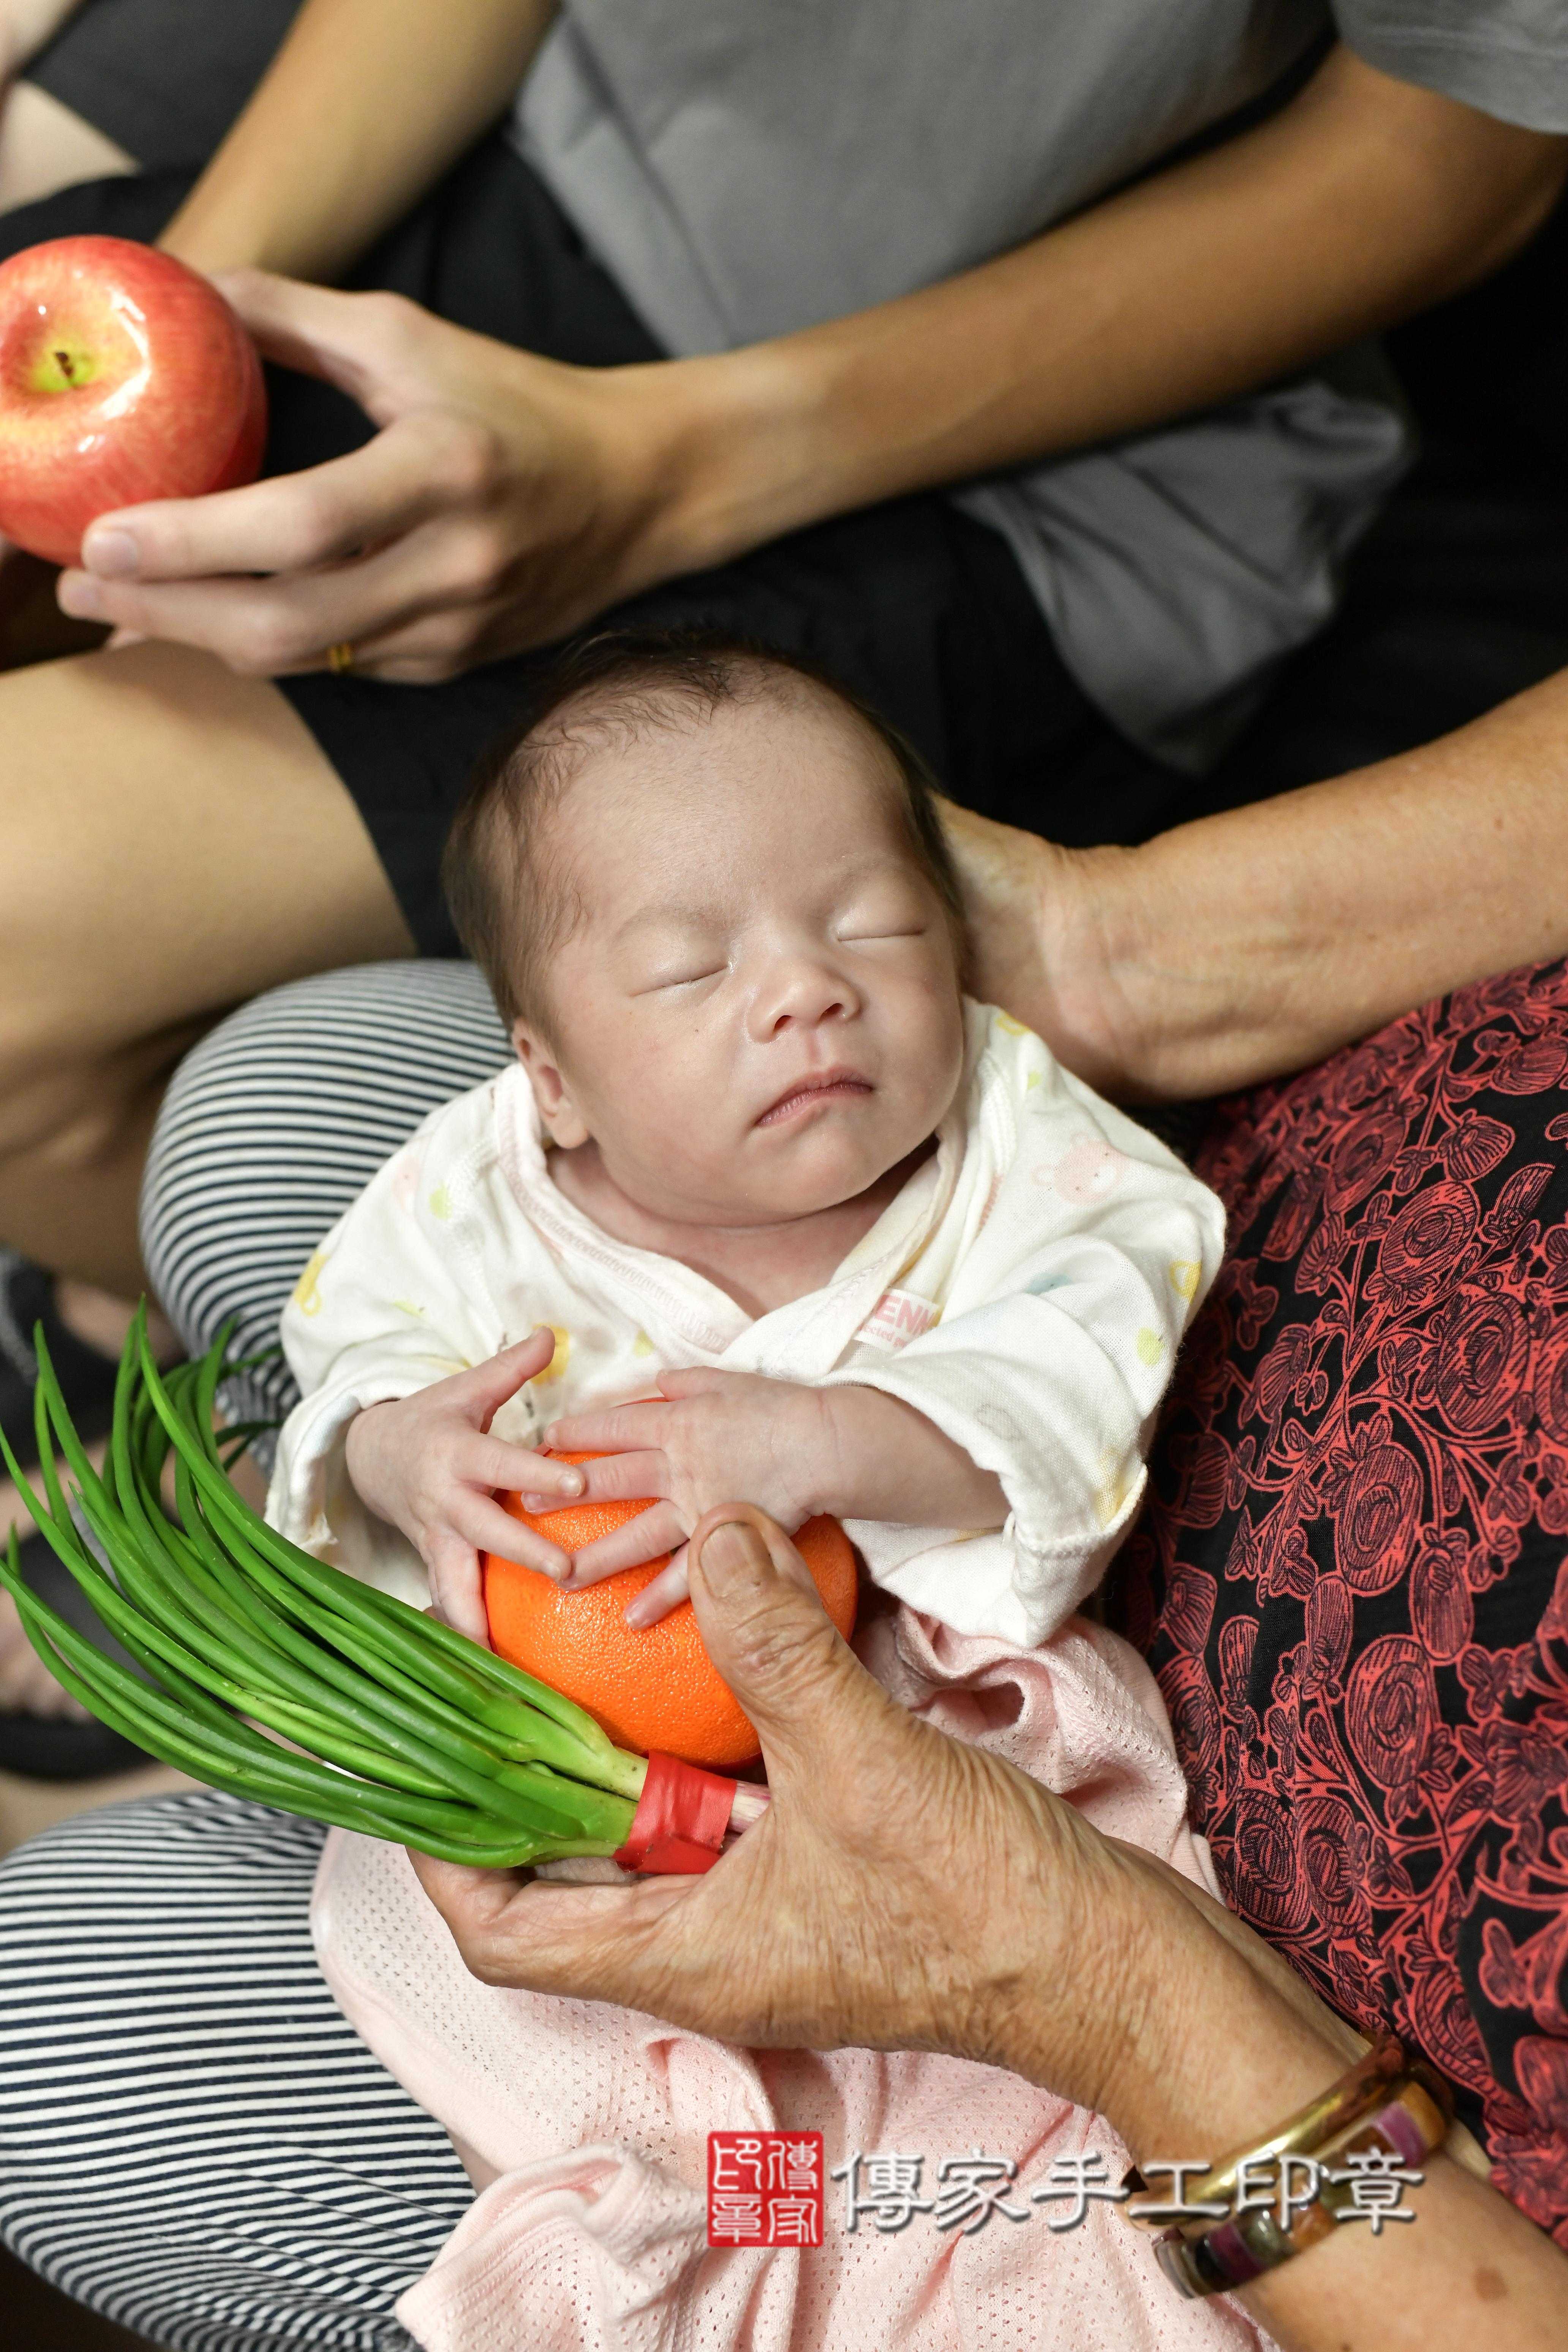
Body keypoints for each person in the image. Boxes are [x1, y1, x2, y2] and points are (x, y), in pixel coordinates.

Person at [269, 631, 1222, 1653]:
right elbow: (357, 1352)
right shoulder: (475, 1198)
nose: (807, 989)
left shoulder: (1012, 1140)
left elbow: (1090, 1362)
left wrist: (825, 1440)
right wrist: (397, 1452)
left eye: (874, 925)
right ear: (554, 1084)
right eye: (690, 970)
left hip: (930, 1726)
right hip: (548, 1714)